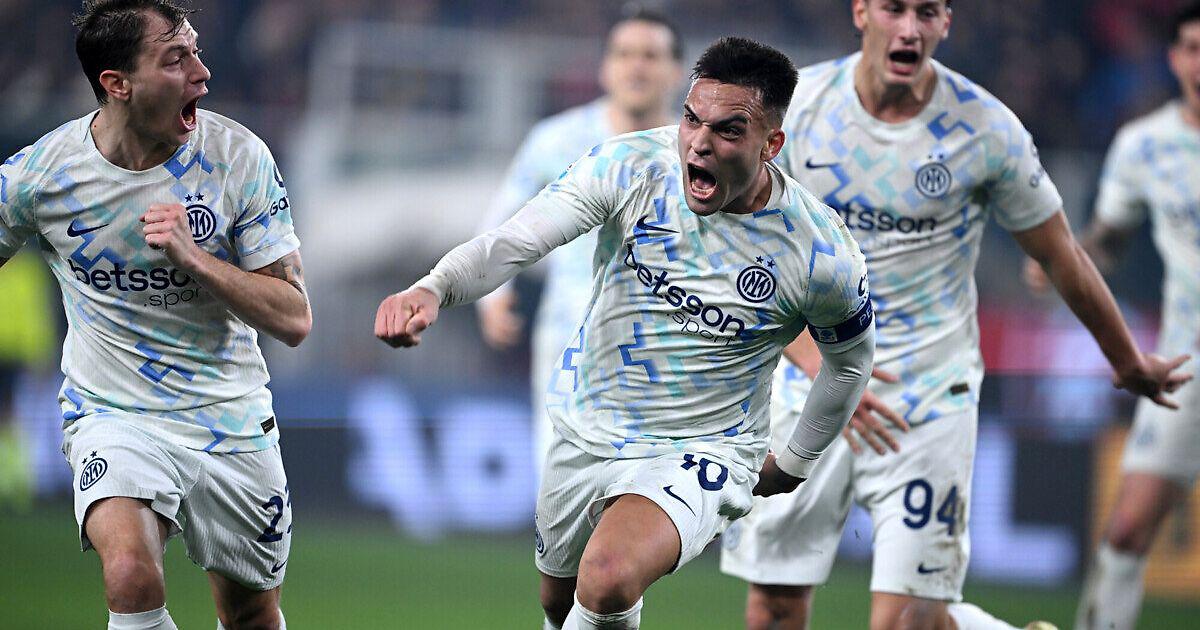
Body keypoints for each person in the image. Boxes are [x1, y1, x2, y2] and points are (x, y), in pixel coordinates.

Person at [718, 2, 1191, 629]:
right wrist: (820, 366)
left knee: (910, 620)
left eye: (927, 12)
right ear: (861, 11)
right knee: (773, 607)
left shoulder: (984, 128)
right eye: (894, 8)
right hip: (806, 390)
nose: (909, 28)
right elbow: (741, 249)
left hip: (927, 396)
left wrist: (1126, 360)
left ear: (946, 22)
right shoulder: (798, 108)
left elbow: (1061, 254)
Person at [377, 37, 875, 630]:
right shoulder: (630, 165)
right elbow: (518, 240)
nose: (699, 143)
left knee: (608, 576)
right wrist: (434, 287)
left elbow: (850, 363)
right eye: (691, 119)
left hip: (705, 445)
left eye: (728, 130)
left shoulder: (820, 252)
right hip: (588, 424)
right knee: (561, 604)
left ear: (772, 144)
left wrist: (794, 461)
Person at [0, 2, 311, 628]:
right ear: (118, 84)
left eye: (196, 52)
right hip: (113, 413)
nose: (202, 73)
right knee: (130, 575)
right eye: (175, 59)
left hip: (228, 416)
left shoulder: (238, 159)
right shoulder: (43, 175)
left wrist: (196, 260)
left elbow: (294, 318)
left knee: (250, 614)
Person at [1023, 5, 1200, 629]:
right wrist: (1067, 258)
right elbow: (1112, 238)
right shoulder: (1145, 145)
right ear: (1174, 58)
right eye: (1192, 49)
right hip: (1187, 363)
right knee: (1125, 531)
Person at [475, 8, 685, 484]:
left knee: (644, 496)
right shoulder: (556, 140)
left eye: (650, 56)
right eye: (624, 54)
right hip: (569, 338)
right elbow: (503, 220)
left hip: (663, 347)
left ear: (676, 72)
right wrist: (492, 293)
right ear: (605, 67)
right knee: (560, 488)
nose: (636, 67)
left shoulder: (694, 152)